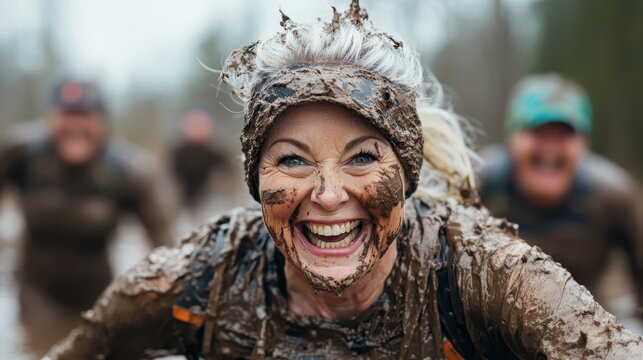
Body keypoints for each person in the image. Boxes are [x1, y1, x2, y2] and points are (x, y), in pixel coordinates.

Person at [46, 3, 643, 359]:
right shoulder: (201, 280)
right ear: (256, 179)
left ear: (406, 173)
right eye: (293, 161)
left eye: (361, 158)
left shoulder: (482, 274)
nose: (328, 196)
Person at [0, 78, 174, 354]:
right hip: (33, 295)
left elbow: (166, 245)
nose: (76, 125)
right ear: (51, 118)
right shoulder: (21, 154)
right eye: (68, 114)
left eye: (86, 115)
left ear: (103, 123)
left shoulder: (130, 172)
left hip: (96, 301)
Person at [478, 74, 643, 314]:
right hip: (491, 316)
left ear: (584, 145)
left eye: (563, 134)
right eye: (537, 132)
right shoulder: (477, 182)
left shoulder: (614, 196)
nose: (550, 147)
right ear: (511, 138)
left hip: (589, 322)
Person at [169, 108, 231, 209]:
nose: (197, 128)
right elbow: (170, 179)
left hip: (211, 201)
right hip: (182, 202)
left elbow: (230, 178)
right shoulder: (177, 152)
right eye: (193, 124)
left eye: (201, 125)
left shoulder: (217, 151)